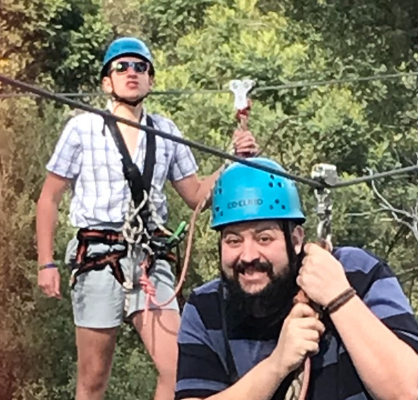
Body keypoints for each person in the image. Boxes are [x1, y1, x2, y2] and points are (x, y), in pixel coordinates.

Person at [35, 36, 259, 400]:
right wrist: (46, 262)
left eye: (141, 67)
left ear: (151, 81)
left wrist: (231, 162)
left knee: (178, 369)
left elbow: (196, 195)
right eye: (121, 67)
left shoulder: (165, 131)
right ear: (107, 81)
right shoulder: (83, 128)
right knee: (93, 381)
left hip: (149, 260)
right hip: (98, 256)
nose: (132, 72)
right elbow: (49, 198)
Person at [173, 157, 418, 400]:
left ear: (295, 239)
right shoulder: (206, 307)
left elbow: (405, 390)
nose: (248, 255)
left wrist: (339, 298)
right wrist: (277, 365)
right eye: (233, 240)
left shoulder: (355, 272)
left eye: (264, 238)